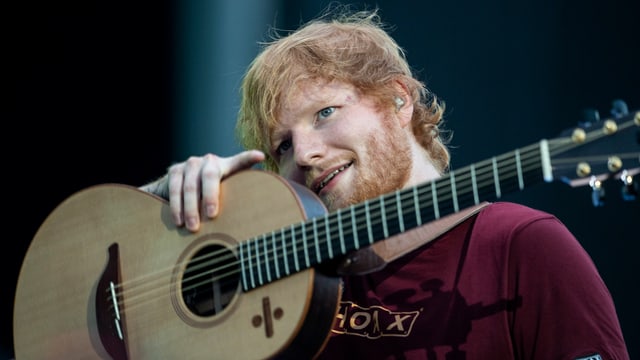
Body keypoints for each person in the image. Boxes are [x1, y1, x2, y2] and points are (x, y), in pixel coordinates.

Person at [140, 6, 629, 359]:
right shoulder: (277, 284)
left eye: (325, 113)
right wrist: (163, 201)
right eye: (282, 147)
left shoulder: (523, 247)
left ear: (399, 101)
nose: (305, 154)